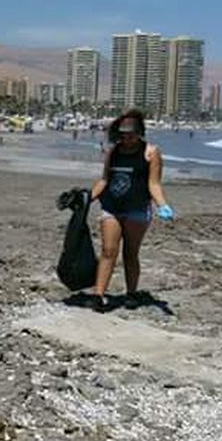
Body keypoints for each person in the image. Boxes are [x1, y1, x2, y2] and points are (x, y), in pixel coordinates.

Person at [90, 109, 174, 312]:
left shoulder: (151, 153)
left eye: (131, 135)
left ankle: (131, 293)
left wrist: (162, 204)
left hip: (137, 209)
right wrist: (88, 198)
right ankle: (98, 295)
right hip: (112, 207)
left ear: (139, 132)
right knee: (108, 250)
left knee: (130, 253)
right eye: (123, 135)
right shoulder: (114, 151)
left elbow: (154, 184)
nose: (127, 139)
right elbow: (104, 180)